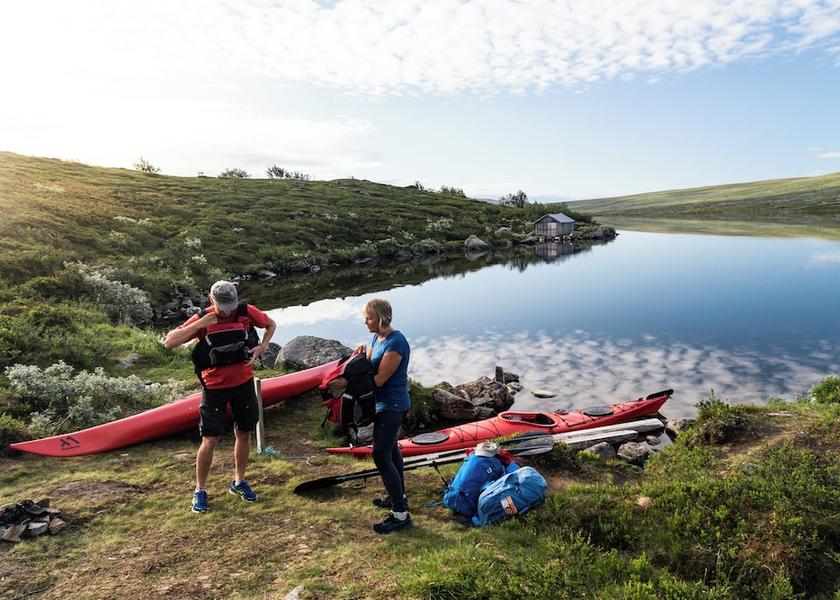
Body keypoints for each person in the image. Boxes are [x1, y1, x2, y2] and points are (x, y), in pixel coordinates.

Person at [164, 280, 276, 514]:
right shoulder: (202, 319)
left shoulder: (245, 312)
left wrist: (262, 347)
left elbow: (271, 324)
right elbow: (169, 342)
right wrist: (200, 324)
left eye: (230, 305)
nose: (227, 310)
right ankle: (200, 490)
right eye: (222, 305)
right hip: (214, 388)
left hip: (243, 385)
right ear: (211, 298)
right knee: (210, 440)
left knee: (243, 432)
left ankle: (238, 481)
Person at [357, 298, 412, 533]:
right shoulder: (376, 337)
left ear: (380, 318)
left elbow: (379, 379)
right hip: (381, 404)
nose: (365, 321)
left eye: (368, 318)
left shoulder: (396, 342)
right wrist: (359, 355)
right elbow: (370, 365)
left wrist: (350, 378)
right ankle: (399, 497)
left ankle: (400, 515)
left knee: (380, 454)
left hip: (393, 405)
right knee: (391, 451)